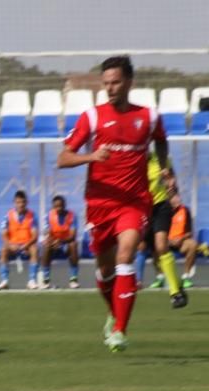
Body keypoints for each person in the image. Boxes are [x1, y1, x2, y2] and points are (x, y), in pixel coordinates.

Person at [57, 55, 170, 352]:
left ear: (129, 82)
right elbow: (63, 158)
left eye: (116, 82)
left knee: (125, 256)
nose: (110, 88)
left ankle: (120, 330)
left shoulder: (148, 116)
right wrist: (91, 156)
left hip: (134, 202)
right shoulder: (92, 117)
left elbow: (160, 140)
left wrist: (164, 165)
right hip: (99, 203)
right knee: (105, 271)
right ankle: (113, 313)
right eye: (106, 83)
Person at [135, 150, 187, 307]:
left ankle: (175, 294)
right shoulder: (131, 162)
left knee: (161, 245)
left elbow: (172, 178)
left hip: (161, 206)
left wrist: (171, 184)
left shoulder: (161, 158)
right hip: (142, 209)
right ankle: (177, 283)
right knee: (148, 249)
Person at [0, 190, 39, 290]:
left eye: (23, 202)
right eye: (18, 202)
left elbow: (35, 236)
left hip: (26, 245)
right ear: (14, 202)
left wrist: (26, 245)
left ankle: (32, 281)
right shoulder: (8, 215)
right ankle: (4, 281)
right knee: (4, 249)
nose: (21, 205)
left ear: (26, 202)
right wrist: (10, 245)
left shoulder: (32, 216)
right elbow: (4, 235)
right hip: (13, 245)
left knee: (34, 248)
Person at [39, 195, 80, 289]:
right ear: (53, 207)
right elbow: (47, 234)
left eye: (61, 206)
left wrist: (60, 241)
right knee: (46, 245)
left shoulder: (72, 216)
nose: (59, 208)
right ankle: (46, 279)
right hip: (54, 244)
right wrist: (53, 242)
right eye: (56, 206)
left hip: (66, 243)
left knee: (74, 245)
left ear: (65, 205)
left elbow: (72, 235)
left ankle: (73, 279)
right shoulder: (48, 216)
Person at [166, 193, 198, 287]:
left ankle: (186, 277)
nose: (177, 200)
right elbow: (159, 232)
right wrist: (169, 240)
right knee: (156, 244)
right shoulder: (164, 212)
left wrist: (181, 239)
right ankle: (160, 277)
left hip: (180, 243)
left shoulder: (185, 211)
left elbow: (190, 233)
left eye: (177, 197)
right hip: (166, 243)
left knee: (193, 244)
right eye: (173, 198)